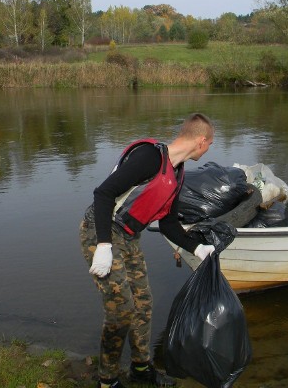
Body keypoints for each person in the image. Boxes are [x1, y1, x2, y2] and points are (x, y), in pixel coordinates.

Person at [80, 113, 217, 388]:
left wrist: (197, 248)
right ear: (202, 141)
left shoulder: (176, 175)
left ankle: (141, 368)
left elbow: (168, 225)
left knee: (143, 304)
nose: (209, 148)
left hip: (129, 237)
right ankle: (107, 380)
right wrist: (104, 246)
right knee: (121, 310)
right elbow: (103, 194)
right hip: (101, 230)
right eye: (210, 143)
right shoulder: (149, 157)